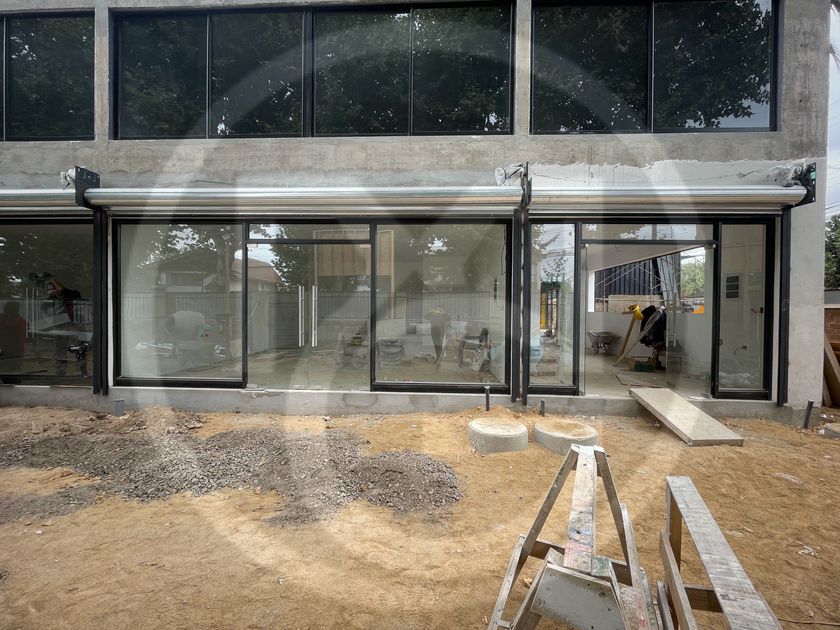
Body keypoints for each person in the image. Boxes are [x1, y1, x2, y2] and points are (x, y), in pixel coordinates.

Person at [0, 301, 26, 374]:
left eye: (7, 308)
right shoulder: (3, 318)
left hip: (14, 351)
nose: (5, 310)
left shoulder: (19, 321)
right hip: (5, 350)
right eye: (5, 308)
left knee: (13, 371)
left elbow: (19, 339)